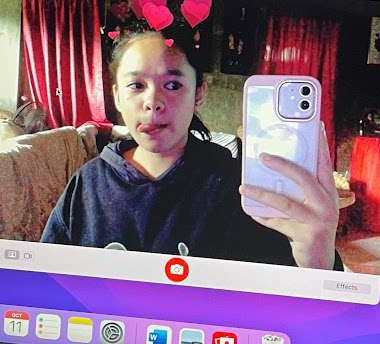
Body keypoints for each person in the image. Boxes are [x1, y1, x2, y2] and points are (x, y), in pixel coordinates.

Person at [41, 27, 342, 270]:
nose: (153, 102)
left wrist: (319, 263)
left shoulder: (241, 189)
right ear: (117, 96)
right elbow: (44, 284)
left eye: (173, 85)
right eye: (137, 86)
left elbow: (283, 305)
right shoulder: (88, 184)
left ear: (199, 94)